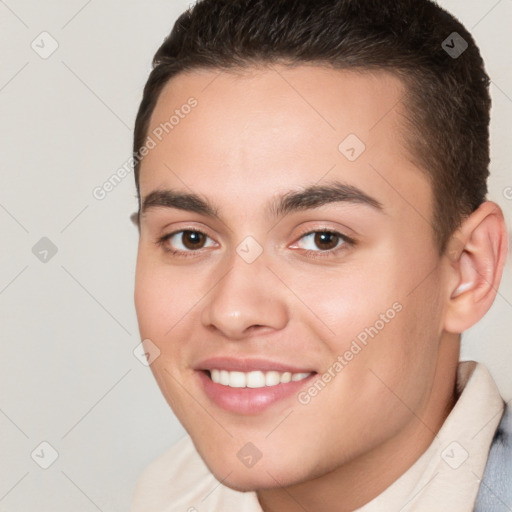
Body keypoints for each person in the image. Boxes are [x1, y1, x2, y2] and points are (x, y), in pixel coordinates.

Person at [129, 0, 511, 510]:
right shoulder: (167, 492)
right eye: (190, 238)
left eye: (323, 239)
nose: (234, 311)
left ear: (468, 270)